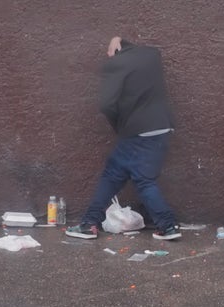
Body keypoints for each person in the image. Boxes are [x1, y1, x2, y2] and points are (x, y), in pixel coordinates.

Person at [66, 36, 181, 241]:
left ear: (116, 51)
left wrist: (119, 124)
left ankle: (169, 225)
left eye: (109, 52)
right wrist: (118, 38)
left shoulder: (116, 64)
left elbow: (106, 104)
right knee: (113, 173)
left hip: (136, 132)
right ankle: (89, 221)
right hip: (162, 126)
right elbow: (133, 49)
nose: (108, 55)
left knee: (144, 180)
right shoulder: (151, 55)